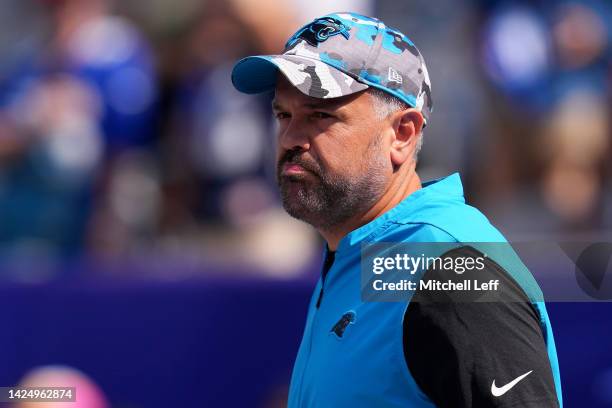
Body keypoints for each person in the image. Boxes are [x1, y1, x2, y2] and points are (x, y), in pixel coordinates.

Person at [231, 12, 562, 408]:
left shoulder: (450, 268)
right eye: (284, 114)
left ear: (402, 133)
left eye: (321, 115)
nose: (290, 137)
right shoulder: (360, 249)